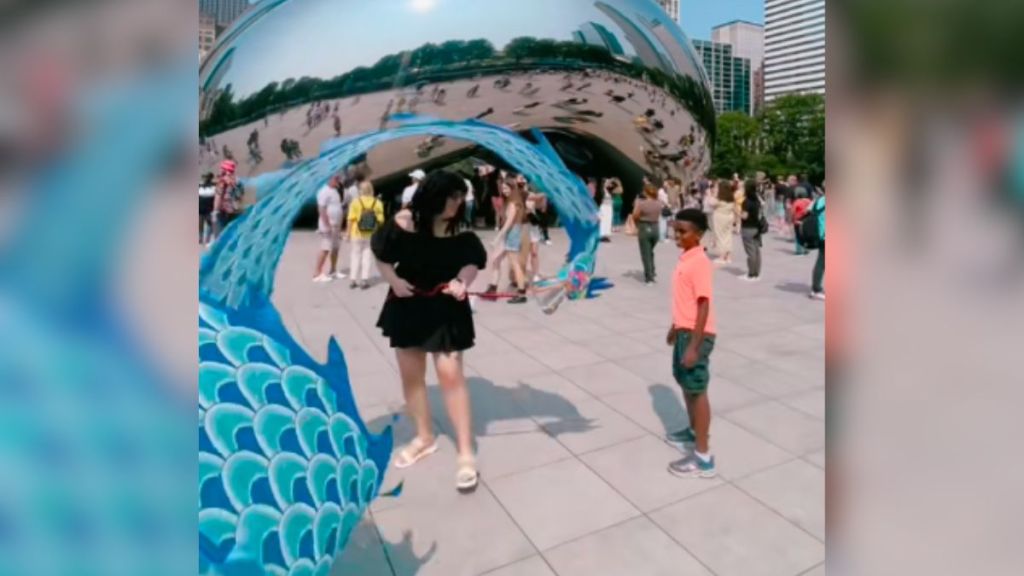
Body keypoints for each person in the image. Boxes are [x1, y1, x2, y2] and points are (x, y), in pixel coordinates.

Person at [371, 170, 485, 492]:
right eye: (452, 197)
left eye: (461, 197)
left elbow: (472, 259)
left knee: (450, 375)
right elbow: (380, 252)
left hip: (447, 307)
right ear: (434, 194)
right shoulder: (405, 221)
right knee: (411, 376)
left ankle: (465, 452)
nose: (457, 204)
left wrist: (463, 281)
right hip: (407, 304)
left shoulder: (458, 226)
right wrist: (393, 281)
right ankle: (424, 437)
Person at [666, 209, 718, 478]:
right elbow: (684, 300)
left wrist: (694, 345)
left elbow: (703, 305)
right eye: (676, 230)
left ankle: (703, 457)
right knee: (687, 385)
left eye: (683, 231)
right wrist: (674, 327)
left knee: (697, 390)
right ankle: (694, 430)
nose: (677, 235)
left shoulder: (699, 262)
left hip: (697, 336)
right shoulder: (686, 258)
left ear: (698, 234)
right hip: (684, 331)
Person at [484, 181, 529, 304]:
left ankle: (521, 293)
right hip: (510, 236)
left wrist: (497, 238)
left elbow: (508, 224)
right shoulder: (509, 202)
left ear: (512, 189)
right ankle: (492, 289)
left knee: (515, 265)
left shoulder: (513, 204)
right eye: (503, 189)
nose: (504, 191)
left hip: (512, 236)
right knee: (495, 259)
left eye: (507, 188)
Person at [346, 180, 384, 289]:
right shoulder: (377, 203)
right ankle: (364, 280)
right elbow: (381, 220)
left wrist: (347, 233)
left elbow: (350, 219)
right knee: (367, 256)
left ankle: (353, 280)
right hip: (370, 233)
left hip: (356, 232)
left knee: (355, 255)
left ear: (360, 190)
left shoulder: (355, 202)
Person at [313, 176, 345, 283]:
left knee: (335, 247)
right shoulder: (324, 191)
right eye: (336, 178)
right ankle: (317, 273)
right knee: (326, 248)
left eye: (338, 178)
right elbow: (321, 209)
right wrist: (327, 225)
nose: (338, 180)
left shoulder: (335, 190)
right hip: (328, 225)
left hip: (336, 225)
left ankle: (333, 270)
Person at [632, 183, 663, 284]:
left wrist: (637, 225)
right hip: (655, 227)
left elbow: (635, 215)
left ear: (646, 192)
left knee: (645, 253)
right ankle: (652, 270)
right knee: (650, 251)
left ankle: (649, 277)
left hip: (644, 227)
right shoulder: (659, 204)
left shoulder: (642, 204)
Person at [739, 179, 764, 281]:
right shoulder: (757, 200)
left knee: (750, 252)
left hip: (747, 227)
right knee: (756, 250)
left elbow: (744, 216)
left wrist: (736, 212)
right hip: (757, 227)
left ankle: (751, 273)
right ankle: (757, 272)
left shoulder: (746, 201)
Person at [213, 160, 242, 242]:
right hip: (236, 209)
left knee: (223, 234)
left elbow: (218, 197)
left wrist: (215, 211)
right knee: (235, 230)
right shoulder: (237, 180)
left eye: (222, 168)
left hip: (225, 211)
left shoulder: (222, 182)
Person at [710, 179, 737, 264]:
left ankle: (721, 256)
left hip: (720, 217)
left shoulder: (719, 198)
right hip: (729, 216)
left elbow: (711, 203)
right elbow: (734, 208)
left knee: (720, 236)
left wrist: (713, 194)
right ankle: (728, 256)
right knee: (728, 236)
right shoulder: (731, 197)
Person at [809, 183, 826, 300]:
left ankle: (816, 287)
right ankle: (816, 289)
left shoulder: (819, 200)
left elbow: (809, 211)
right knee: (822, 262)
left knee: (821, 261)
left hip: (820, 234)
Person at [198, 172, 216, 246]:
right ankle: (201, 238)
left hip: (208, 208)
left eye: (207, 177)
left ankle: (207, 239)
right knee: (201, 223)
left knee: (209, 224)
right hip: (201, 208)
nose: (205, 179)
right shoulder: (200, 186)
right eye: (204, 177)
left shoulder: (213, 186)